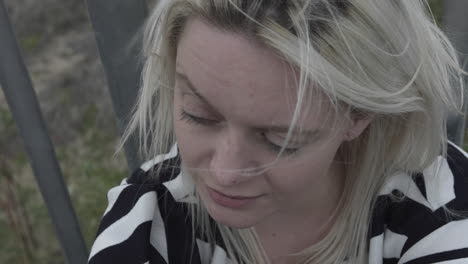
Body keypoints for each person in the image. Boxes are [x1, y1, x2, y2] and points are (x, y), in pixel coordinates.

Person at [87, 0, 468, 263]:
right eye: (198, 114)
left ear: (359, 115)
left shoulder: (444, 210)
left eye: (280, 140)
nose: (224, 173)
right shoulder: (146, 224)